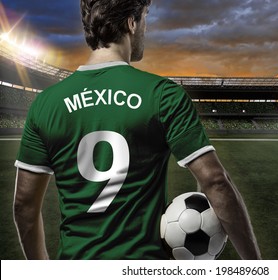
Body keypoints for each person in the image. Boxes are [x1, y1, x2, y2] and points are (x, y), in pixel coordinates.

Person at [13, 0, 261, 260]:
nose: (146, 28)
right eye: (145, 17)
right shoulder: (162, 95)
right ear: (131, 23)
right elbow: (216, 181)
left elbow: (24, 207)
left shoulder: (46, 103)